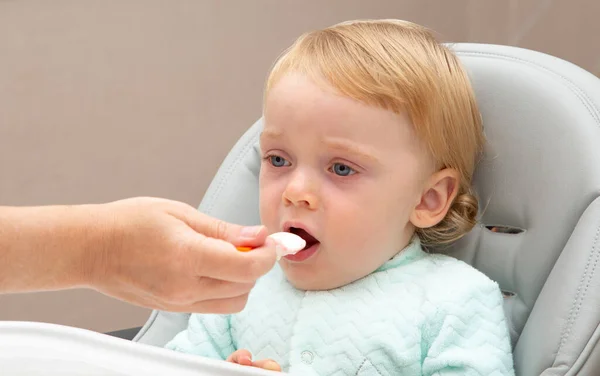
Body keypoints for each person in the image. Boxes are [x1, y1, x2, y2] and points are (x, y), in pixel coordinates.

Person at [165, 19, 515, 375]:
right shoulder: (242, 286)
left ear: (427, 199)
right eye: (278, 160)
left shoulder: (453, 301)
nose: (295, 191)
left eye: (342, 169)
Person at [0, 197, 277, 314]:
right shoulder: (237, 295)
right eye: (277, 161)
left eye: (324, 167)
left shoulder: (229, 293)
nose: (295, 192)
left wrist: (104, 252)